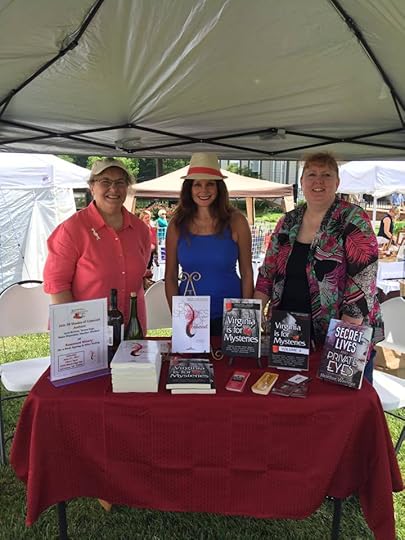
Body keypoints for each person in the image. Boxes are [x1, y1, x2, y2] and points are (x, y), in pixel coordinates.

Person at [254, 152, 383, 382]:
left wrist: (341, 343)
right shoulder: (288, 221)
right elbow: (268, 272)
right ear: (302, 181)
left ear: (337, 182)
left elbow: (364, 279)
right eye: (311, 174)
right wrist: (251, 317)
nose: (318, 181)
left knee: (340, 401)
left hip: (338, 338)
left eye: (326, 175)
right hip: (289, 334)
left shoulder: (353, 218)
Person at [43, 157, 150, 333]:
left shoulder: (140, 230)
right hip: (86, 332)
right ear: (92, 187)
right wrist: (73, 330)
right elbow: (57, 284)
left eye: (120, 182)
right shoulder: (72, 229)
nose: (113, 189)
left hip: (133, 330)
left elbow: (141, 270)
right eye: (105, 182)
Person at [165, 152, 254, 335]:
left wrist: (246, 315)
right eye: (197, 184)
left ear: (219, 187)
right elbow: (171, 276)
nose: (203, 190)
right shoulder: (176, 224)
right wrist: (178, 317)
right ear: (189, 188)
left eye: (210, 184)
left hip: (231, 313)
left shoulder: (237, 221)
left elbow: (247, 272)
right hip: (190, 314)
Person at [139, 209, 157, 276]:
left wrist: (154, 245)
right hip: (144, 251)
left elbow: (154, 237)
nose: (148, 219)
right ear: (142, 219)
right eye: (146, 218)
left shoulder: (151, 227)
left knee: (149, 264)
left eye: (148, 217)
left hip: (151, 250)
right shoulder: (140, 228)